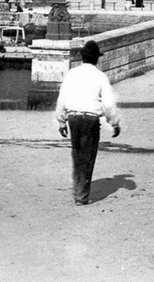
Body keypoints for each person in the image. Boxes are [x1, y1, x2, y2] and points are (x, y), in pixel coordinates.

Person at [54, 40, 121, 206]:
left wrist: (61, 121)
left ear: (82, 58)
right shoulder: (100, 76)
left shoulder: (71, 74)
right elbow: (108, 104)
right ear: (96, 59)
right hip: (90, 118)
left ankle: (78, 191)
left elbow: (62, 99)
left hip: (73, 117)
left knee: (77, 154)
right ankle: (81, 196)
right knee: (88, 156)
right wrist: (114, 122)